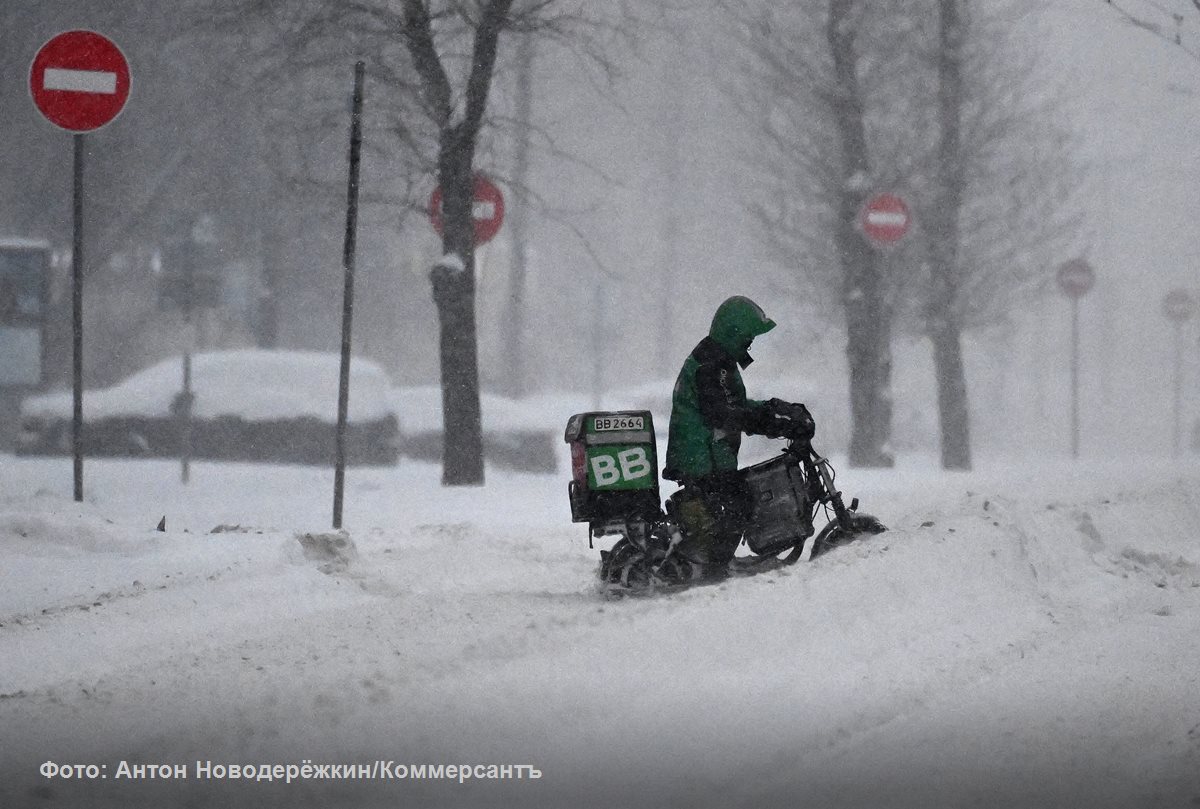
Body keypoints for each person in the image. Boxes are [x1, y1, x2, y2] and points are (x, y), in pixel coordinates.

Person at [663, 295, 814, 576]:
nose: (749, 344)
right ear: (733, 332)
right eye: (747, 338)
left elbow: (736, 406)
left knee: (740, 500)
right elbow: (726, 416)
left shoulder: (718, 360)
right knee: (739, 503)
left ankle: (717, 564)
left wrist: (776, 408)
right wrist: (779, 427)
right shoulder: (711, 367)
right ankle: (714, 569)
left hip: (706, 456)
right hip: (700, 459)